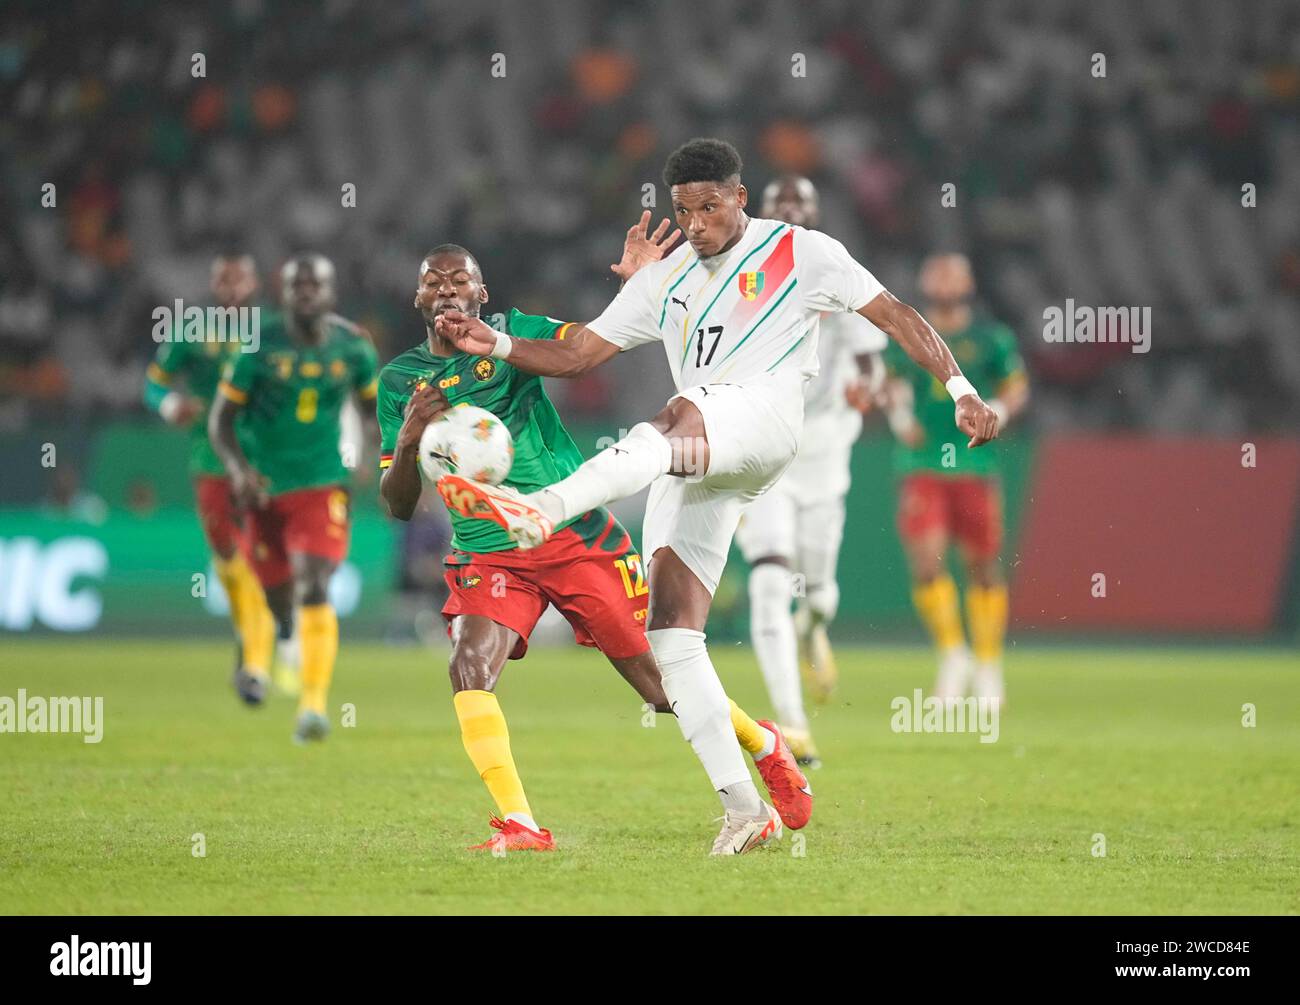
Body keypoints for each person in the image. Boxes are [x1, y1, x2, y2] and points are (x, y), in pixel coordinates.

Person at [435, 138, 1000, 855]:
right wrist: (497, 341)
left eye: (709, 207)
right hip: (707, 459)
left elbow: (895, 315)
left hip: (762, 423)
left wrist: (962, 390)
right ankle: (744, 805)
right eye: (682, 210)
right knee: (671, 638)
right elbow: (578, 355)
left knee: (673, 416)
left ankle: (544, 507)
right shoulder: (664, 276)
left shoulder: (802, 252)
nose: (696, 223)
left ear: (739, 197)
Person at [379, 245, 812, 853]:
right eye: (434, 282)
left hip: (575, 536)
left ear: (482, 293)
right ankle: (522, 824)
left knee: (663, 690)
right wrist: (407, 440)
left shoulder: (514, 334)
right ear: (418, 299)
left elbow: (585, 349)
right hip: (487, 550)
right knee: (468, 670)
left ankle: (762, 742)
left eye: (461, 280)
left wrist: (640, 289)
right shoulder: (400, 381)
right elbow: (397, 504)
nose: (447, 289)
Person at [733, 176, 887, 768]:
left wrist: (866, 387)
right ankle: (793, 729)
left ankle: (812, 626)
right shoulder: (741, 284)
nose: (791, 212)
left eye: (801, 204)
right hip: (768, 453)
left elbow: (873, 365)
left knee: (818, 594)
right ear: (760, 214)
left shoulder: (837, 276)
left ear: (817, 215)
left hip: (825, 459)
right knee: (772, 580)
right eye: (780, 205)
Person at [209, 253, 379, 742]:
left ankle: (312, 706)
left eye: (315, 285)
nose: (306, 293)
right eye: (296, 286)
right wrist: (239, 471)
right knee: (280, 595)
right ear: (282, 294)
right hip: (263, 487)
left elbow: (370, 412)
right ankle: (283, 630)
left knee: (314, 582)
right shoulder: (259, 346)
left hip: (322, 481)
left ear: (330, 293)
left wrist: (369, 453)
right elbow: (221, 421)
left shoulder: (353, 348)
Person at [881, 253, 1028, 705]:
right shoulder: (909, 333)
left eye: (953, 273)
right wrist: (900, 415)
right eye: (937, 272)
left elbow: (1015, 387)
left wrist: (997, 414)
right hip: (921, 462)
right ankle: (952, 654)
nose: (944, 281)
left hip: (975, 464)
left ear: (968, 282)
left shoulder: (991, 337)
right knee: (927, 563)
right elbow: (889, 382)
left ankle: (987, 664)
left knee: (982, 566)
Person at [143, 253, 275, 702]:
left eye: (239, 280)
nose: (231, 289)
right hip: (212, 459)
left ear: (255, 283)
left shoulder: (276, 333)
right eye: (223, 280)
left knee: (255, 558)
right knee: (227, 556)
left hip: (264, 463)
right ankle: (250, 633)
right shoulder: (191, 330)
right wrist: (169, 406)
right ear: (213, 284)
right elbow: (154, 383)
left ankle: (256, 665)